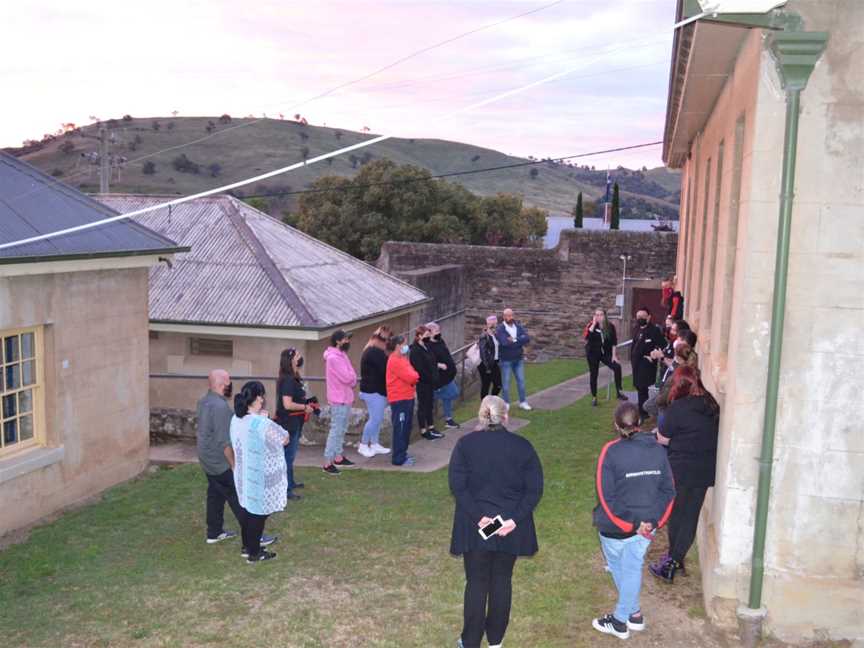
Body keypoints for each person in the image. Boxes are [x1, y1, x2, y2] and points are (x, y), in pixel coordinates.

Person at [449, 395, 544, 648]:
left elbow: (458, 487)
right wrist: (513, 520)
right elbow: (534, 490)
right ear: (506, 416)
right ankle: (495, 640)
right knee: (502, 580)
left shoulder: (465, 445)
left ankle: (470, 641)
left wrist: (481, 518)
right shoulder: (522, 447)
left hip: (477, 526)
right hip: (506, 526)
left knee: (477, 581)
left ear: (481, 415)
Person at [592, 401, 675, 639]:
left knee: (624, 568)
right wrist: (653, 522)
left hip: (618, 527)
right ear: (639, 423)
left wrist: (634, 525)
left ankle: (619, 621)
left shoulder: (610, 451)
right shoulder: (658, 450)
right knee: (631, 568)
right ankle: (635, 614)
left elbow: (606, 498)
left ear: (616, 425)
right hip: (645, 526)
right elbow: (669, 492)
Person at [650, 366, 719, 583]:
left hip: (680, 469)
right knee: (690, 515)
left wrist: (656, 434)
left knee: (677, 515)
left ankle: (672, 562)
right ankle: (675, 559)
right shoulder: (712, 405)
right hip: (704, 469)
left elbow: (663, 439)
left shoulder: (678, 408)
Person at [230, 381, 291, 563]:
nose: (263, 399)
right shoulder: (261, 423)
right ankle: (254, 553)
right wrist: (267, 419)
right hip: (259, 475)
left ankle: (247, 546)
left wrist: (262, 418)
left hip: (243, 474)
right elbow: (284, 439)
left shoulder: (236, 418)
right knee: (258, 514)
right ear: (258, 398)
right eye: (262, 396)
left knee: (247, 510)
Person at [197, 369, 246, 544]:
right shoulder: (220, 407)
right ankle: (254, 536)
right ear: (221, 384)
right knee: (238, 495)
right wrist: (234, 465)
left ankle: (214, 532)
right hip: (218, 461)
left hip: (206, 458)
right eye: (228, 382)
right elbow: (224, 442)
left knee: (215, 494)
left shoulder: (204, 401)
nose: (230, 385)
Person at [275, 348, 314, 501]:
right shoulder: (288, 380)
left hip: (295, 421)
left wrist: (308, 405)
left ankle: (290, 482)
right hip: (288, 423)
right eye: (297, 356)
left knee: (289, 455)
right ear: (291, 360)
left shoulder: (294, 377)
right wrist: (304, 407)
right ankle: (286, 489)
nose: (300, 357)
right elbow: (287, 404)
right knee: (287, 457)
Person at [323, 329, 358, 475]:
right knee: (336, 430)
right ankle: (327, 462)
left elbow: (352, 375)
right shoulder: (334, 358)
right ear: (338, 341)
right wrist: (352, 378)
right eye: (345, 339)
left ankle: (338, 457)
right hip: (339, 400)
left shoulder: (342, 355)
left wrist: (352, 378)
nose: (347, 341)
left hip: (345, 398)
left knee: (341, 430)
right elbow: (348, 378)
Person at [386, 335, 420, 466]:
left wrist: (414, 375)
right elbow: (412, 377)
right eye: (404, 344)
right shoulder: (395, 360)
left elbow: (413, 372)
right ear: (398, 346)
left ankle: (403, 453)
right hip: (399, 399)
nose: (406, 346)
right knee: (400, 429)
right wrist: (414, 375)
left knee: (405, 427)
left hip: (407, 397)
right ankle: (398, 458)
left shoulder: (402, 359)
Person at [358, 327, 392, 458]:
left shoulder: (376, 351)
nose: (386, 344)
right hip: (373, 391)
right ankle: (363, 444)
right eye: (385, 341)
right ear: (378, 340)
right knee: (375, 419)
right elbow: (386, 369)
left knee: (376, 420)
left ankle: (374, 443)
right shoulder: (373, 352)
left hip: (377, 391)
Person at [583, 308, 627, 407]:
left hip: (605, 353)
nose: (598, 317)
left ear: (605, 316)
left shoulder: (610, 326)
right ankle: (594, 397)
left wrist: (614, 355)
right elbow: (587, 337)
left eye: (601, 314)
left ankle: (619, 392)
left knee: (617, 367)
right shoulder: (591, 325)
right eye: (596, 315)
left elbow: (614, 342)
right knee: (594, 374)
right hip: (592, 353)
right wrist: (594, 324)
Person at [410, 325, 444, 440]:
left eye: (429, 335)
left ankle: (431, 427)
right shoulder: (415, 350)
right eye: (426, 335)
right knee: (423, 406)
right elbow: (419, 368)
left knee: (430, 405)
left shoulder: (427, 346)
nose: (428, 337)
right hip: (423, 383)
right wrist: (429, 377)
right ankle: (423, 430)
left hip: (430, 382)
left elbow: (432, 361)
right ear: (419, 336)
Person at [630, 307, 664, 421]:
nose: (640, 319)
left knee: (642, 387)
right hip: (636, 364)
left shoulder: (654, 330)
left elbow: (662, 345)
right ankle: (642, 410)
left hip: (646, 364)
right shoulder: (636, 329)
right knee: (639, 387)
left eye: (642, 317)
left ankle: (642, 413)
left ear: (648, 317)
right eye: (638, 317)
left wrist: (652, 355)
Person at [495, 308, 532, 411]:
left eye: (511, 315)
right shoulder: (500, 329)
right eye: (507, 315)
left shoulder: (518, 326)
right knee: (506, 383)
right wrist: (519, 340)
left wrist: (514, 339)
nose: (510, 317)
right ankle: (506, 403)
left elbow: (527, 338)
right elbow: (504, 343)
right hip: (506, 360)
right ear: (503, 317)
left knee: (521, 382)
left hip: (518, 359)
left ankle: (523, 402)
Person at [427, 321, 461, 429]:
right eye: (436, 331)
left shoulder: (440, 340)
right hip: (440, 378)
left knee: (450, 396)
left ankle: (448, 419)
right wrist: (438, 365)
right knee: (453, 393)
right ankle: (432, 395)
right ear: (430, 332)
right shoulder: (428, 346)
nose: (439, 333)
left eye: (439, 330)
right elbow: (425, 361)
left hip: (448, 375)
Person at [478, 315, 502, 398]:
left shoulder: (495, 335)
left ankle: (491, 401)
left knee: (498, 385)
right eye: (492, 324)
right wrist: (487, 367)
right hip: (485, 365)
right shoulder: (484, 336)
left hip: (494, 363)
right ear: (487, 325)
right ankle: (484, 406)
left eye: (495, 324)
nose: (494, 326)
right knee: (486, 386)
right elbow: (483, 353)